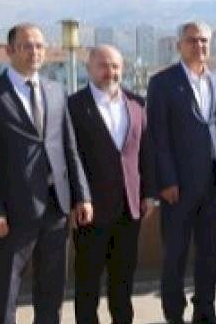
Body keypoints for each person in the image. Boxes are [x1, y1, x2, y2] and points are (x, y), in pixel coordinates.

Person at [0, 23, 93, 324]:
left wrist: (82, 196)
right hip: (12, 211)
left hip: (56, 206)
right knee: (6, 291)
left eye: (39, 46)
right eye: (27, 46)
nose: (34, 52)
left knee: (52, 289)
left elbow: (69, 148)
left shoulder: (56, 91)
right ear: (9, 50)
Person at [147, 21, 216, 324]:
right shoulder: (162, 83)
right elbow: (158, 136)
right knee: (176, 254)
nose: (199, 46)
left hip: (214, 181)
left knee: (210, 252)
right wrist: (167, 180)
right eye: (192, 40)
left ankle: (205, 309)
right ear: (179, 45)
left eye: (204, 40)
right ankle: (174, 314)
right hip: (179, 186)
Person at [66, 45, 155, 324]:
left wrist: (148, 194)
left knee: (123, 281)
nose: (110, 72)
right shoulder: (73, 106)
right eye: (103, 66)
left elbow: (146, 152)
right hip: (90, 210)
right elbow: (70, 157)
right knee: (88, 283)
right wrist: (77, 199)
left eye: (115, 66)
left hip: (129, 209)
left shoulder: (137, 104)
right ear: (89, 69)